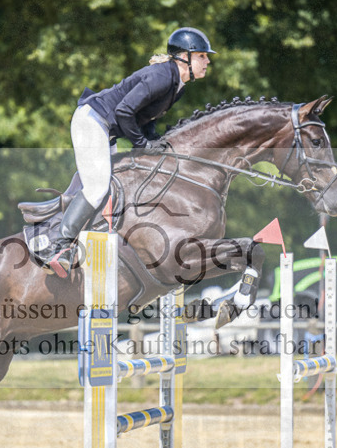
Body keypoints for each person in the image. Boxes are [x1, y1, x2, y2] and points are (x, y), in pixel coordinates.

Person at [44, 27, 215, 277]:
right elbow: (124, 111)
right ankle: (58, 248)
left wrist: (154, 141)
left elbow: (147, 117)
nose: (207, 60)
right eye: (202, 55)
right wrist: (142, 145)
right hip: (92, 121)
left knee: (117, 184)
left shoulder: (177, 86)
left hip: (107, 129)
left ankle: (92, 240)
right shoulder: (161, 77)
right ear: (184, 57)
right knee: (97, 188)